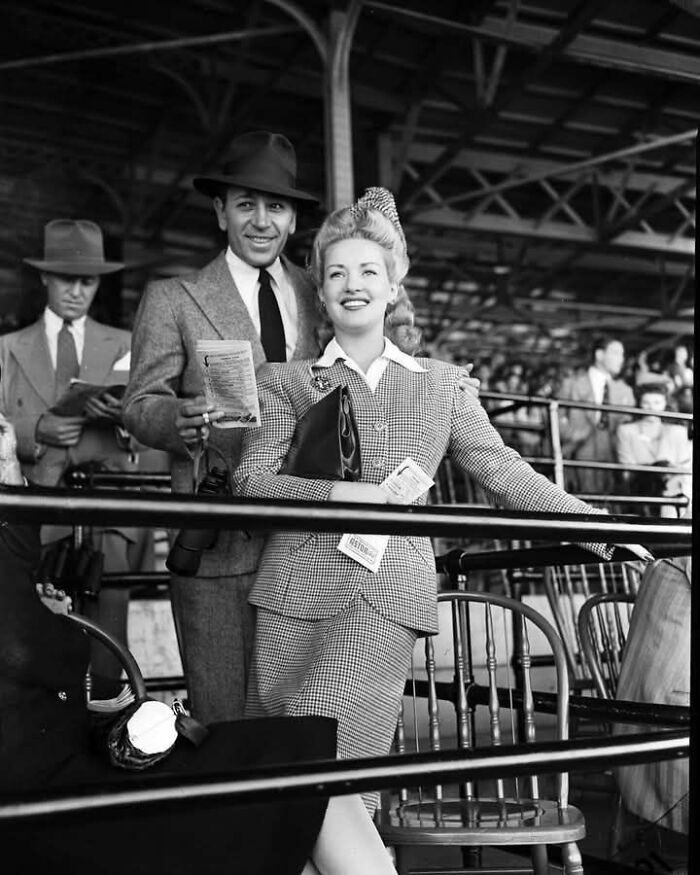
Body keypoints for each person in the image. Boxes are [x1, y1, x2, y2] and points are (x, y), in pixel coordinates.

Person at [233, 187, 652, 815]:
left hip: (382, 596)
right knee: (281, 770)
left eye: (368, 271)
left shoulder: (443, 388)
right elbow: (251, 482)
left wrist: (600, 527)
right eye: (336, 273)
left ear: (393, 284)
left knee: (335, 770)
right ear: (318, 292)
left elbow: (504, 469)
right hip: (289, 593)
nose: (353, 285)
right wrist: (353, 492)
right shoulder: (287, 382)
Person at [123, 131, 484, 724]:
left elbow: (379, 345)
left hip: (322, 546)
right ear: (220, 211)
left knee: (321, 727)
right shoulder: (174, 298)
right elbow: (141, 403)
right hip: (224, 537)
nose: (261, 221)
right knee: (223, 715)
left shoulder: (325, 286)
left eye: (276, 207)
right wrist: (178, 419)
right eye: (245, 205)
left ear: (293, 220)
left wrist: (447, 384)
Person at [0, 411, 398, 875]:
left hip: (81, 766)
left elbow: (17, 544)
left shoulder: (16, 562)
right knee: (295, 779)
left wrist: (9, 467)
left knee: (299, 763)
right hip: (44, 802)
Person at [0, 219, 149, 693]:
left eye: (87, 280)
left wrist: (126, 417)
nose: (76, 291)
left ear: (99, 283)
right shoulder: (7, 350)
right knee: (35, 632)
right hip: (35, 511)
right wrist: (35, 430)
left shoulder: (127, 345)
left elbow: (150, 432)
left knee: (109, 641)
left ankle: (107, 726)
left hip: (108, 512)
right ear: (45, 277)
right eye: (66, 278)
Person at [558, 334, 635, 496]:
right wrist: (576, 435)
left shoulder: (625, 391)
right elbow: (555, 418)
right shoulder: (572, 384)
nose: (621, 359)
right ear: (599, 355)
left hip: (613, 456)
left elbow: (628, 425)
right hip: (579, 452)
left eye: (622, 354)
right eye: (616, 353)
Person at [616, 381, 692, 518]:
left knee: (673, 491)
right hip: (640, 489)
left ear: (664, 404)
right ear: (640, 403)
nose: (651, 408)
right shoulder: (627, 431)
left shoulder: (677, 431)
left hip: (672, 491)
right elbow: (626, 470)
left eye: (657, 403)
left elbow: (683, 469)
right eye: (647, 403)